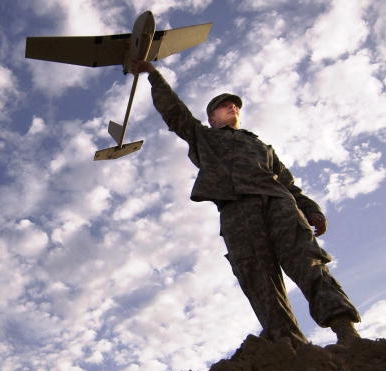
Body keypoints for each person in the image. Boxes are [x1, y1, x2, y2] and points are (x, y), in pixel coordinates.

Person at [132, 60, 361, 346]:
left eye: (235, 105)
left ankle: (345, 330)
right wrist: (154, 76)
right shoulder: (204, 137)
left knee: (307, 260)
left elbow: (289, 184)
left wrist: (311, 209)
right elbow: (175, 112)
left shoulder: (262, 147)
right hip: (237, 211)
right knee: (259, 280)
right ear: (212, 118)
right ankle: (292, 348)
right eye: (224, 106)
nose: (233, 108)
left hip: (278, 203)